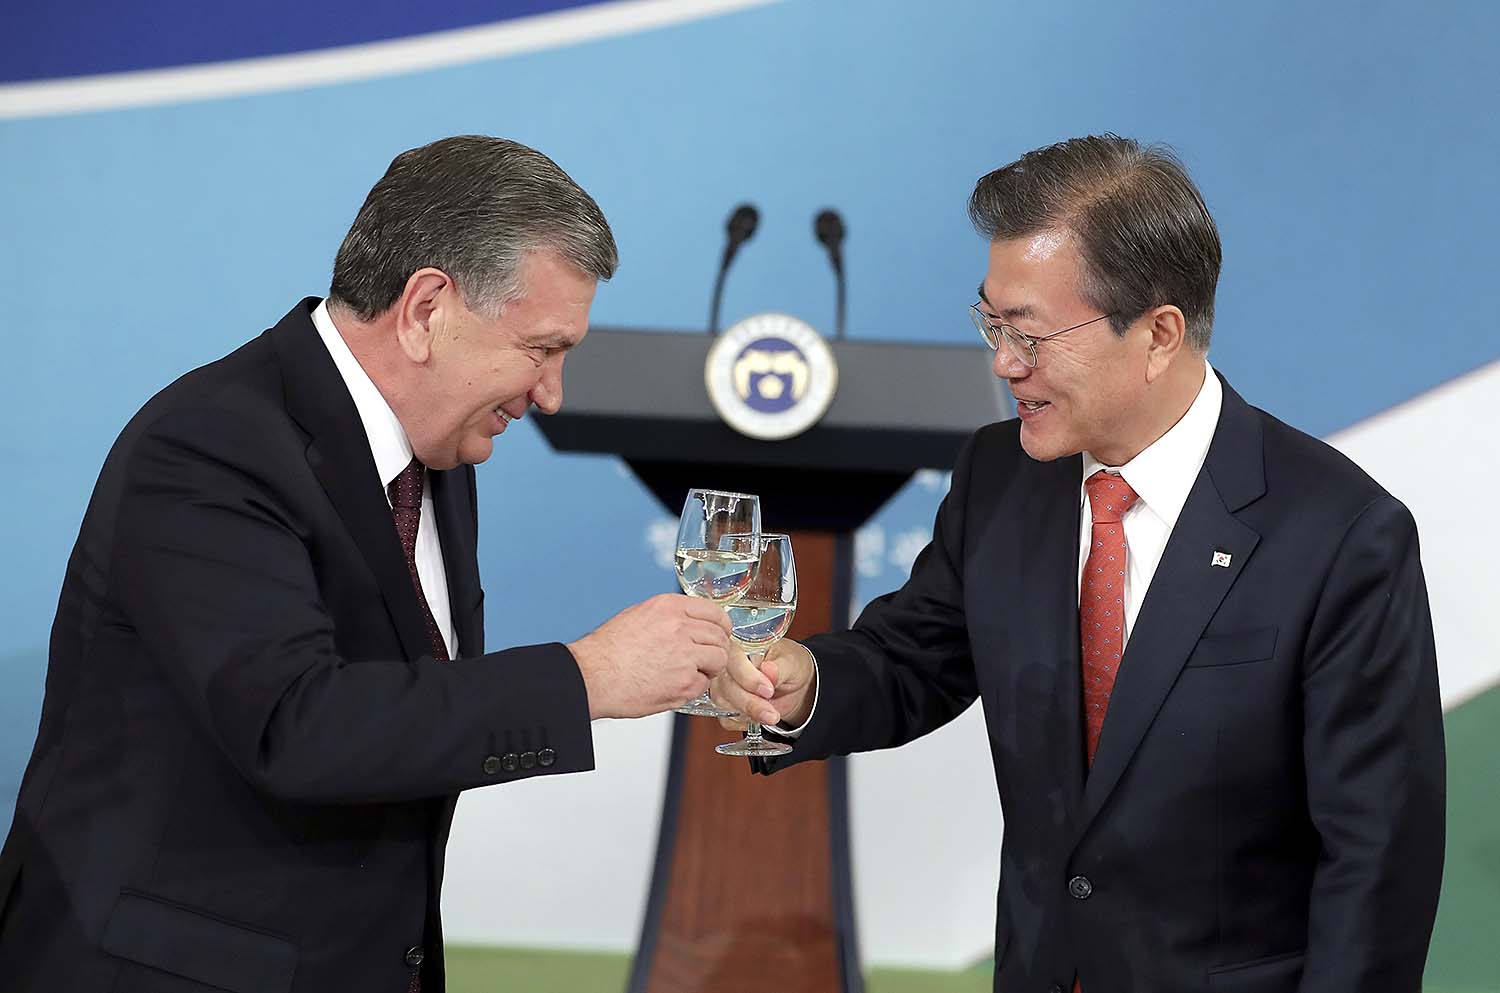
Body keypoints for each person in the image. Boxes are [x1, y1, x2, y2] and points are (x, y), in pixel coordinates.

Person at [0, 135, 735, 993]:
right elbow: (295, 724)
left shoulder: (438, 453)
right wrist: (587, 677)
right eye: (541, 348)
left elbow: (403, 726)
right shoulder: (209, 443)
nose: (551, 393)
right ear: (426, 310)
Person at [715, 135, 1445, 993]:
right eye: (991, 323)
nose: (1004, 362)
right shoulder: (1000, 475)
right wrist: (805, 682)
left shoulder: (1339, 533)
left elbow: (1377, 864)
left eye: (1030, 333)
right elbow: (913, 657)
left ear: (1159, 334)